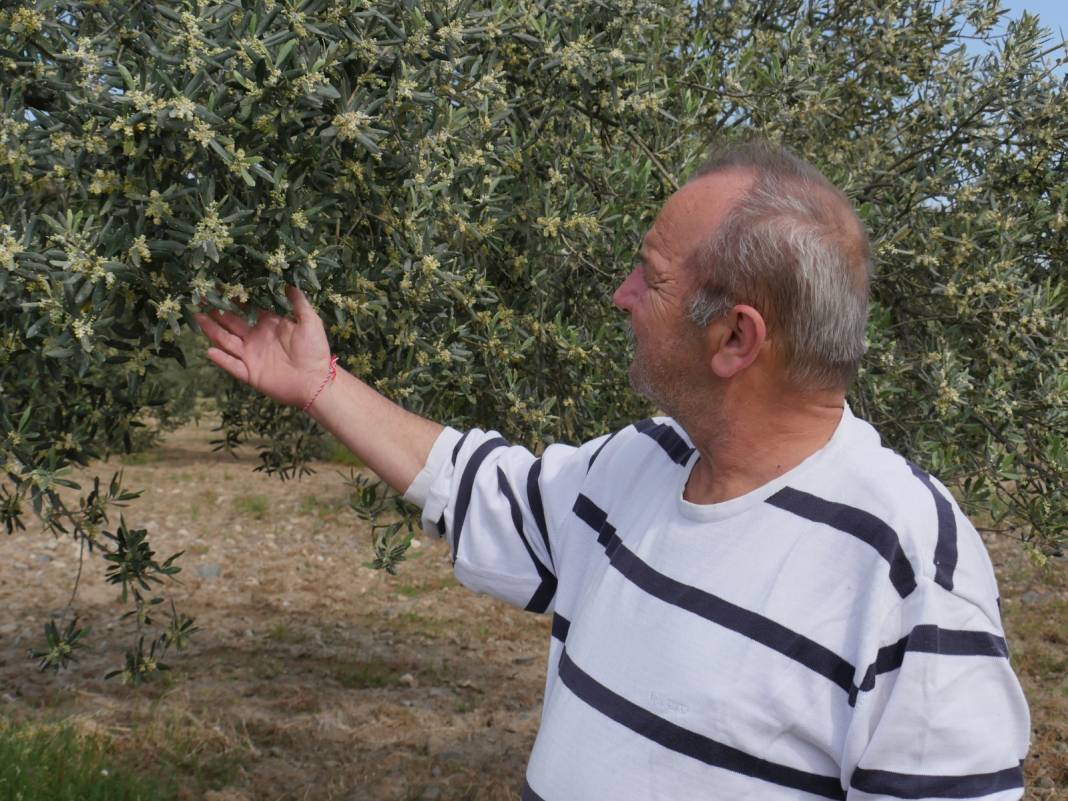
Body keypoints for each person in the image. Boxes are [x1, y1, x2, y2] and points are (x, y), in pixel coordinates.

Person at [194, 141, 1031, 800]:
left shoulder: (906, 567)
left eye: (652, 276)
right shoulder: (643, 462)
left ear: (736, 338)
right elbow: (478, 486)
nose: (622, 295)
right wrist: (320, 385)